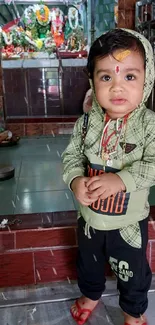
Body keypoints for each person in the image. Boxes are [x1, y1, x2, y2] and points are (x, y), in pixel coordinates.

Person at [62, 28, 155, 325]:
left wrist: (121, 180)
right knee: (88, 265)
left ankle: (133, 312)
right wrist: (76, 179)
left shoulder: (149, 125)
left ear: (147, 78)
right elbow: (71, 157)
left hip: (127, 225)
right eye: (106, 77)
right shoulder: (86, 124)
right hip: (89, 220)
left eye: (129, 77)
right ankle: (91, 295)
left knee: (132, 272)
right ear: (93, 82)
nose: (117, 88)